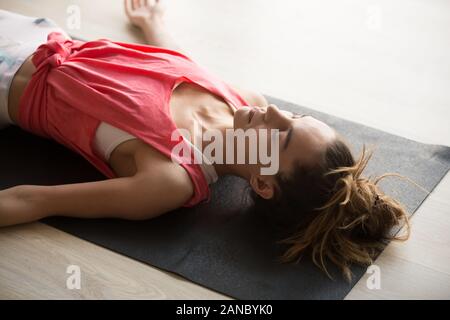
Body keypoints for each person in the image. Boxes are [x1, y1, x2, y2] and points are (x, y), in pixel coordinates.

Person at [0, 1, 416, 280]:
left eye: (281, 134)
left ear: (263, 183)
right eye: (294, 115)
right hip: (37, 34)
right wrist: (152, 23)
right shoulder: (245, 102)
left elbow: (35, 200)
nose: (273, 112)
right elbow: (184, 65)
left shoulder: (170, 179)